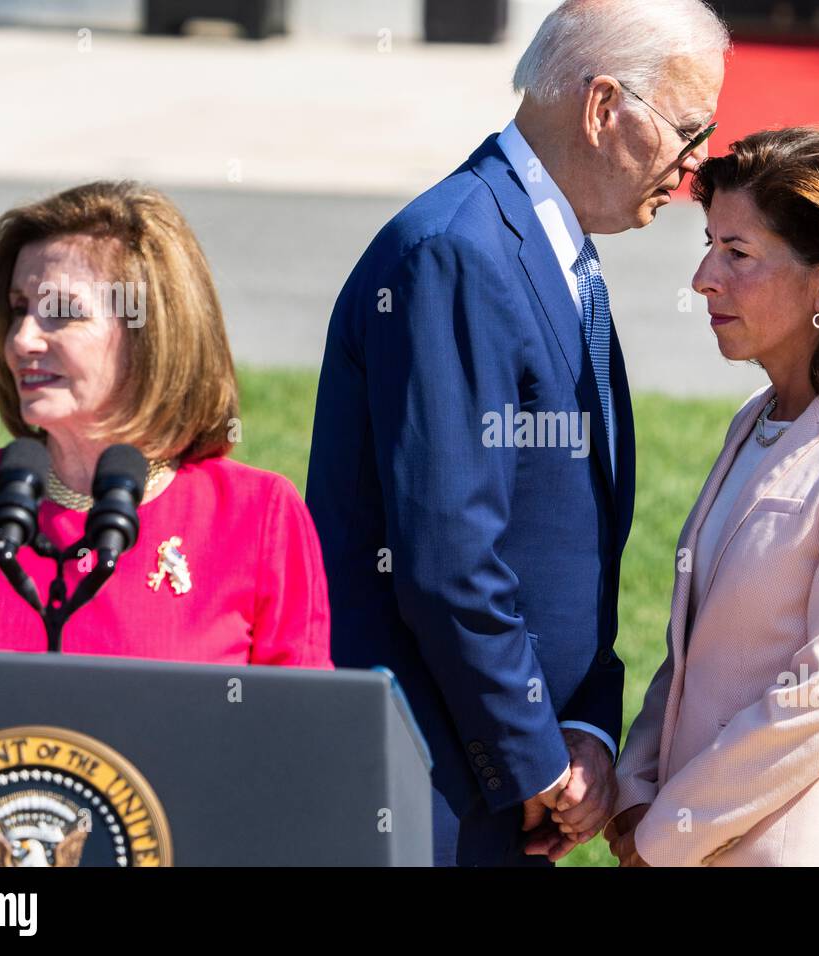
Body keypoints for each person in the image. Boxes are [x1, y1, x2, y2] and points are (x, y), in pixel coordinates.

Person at [305, 0, 728, 865]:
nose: (693, 170)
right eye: (690, 133)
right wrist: (534, 760)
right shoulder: (457, 252)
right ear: (604, 107)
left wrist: (582, 729)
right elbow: (449, 557)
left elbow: (566, 539)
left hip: (497, 774)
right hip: (436, 781)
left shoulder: (545, 242)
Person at [605, 127, 819, 866]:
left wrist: (668, 832)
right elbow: (691, 652)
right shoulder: (758, 421)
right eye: (709, 244)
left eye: (737, 253)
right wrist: (636, 784)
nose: (704, 276)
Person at [0, 181, 332, 669]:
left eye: (61, 312)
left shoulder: (257, 517)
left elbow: (305, 734)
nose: (22, 339)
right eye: (19, 309)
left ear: (151, 333)